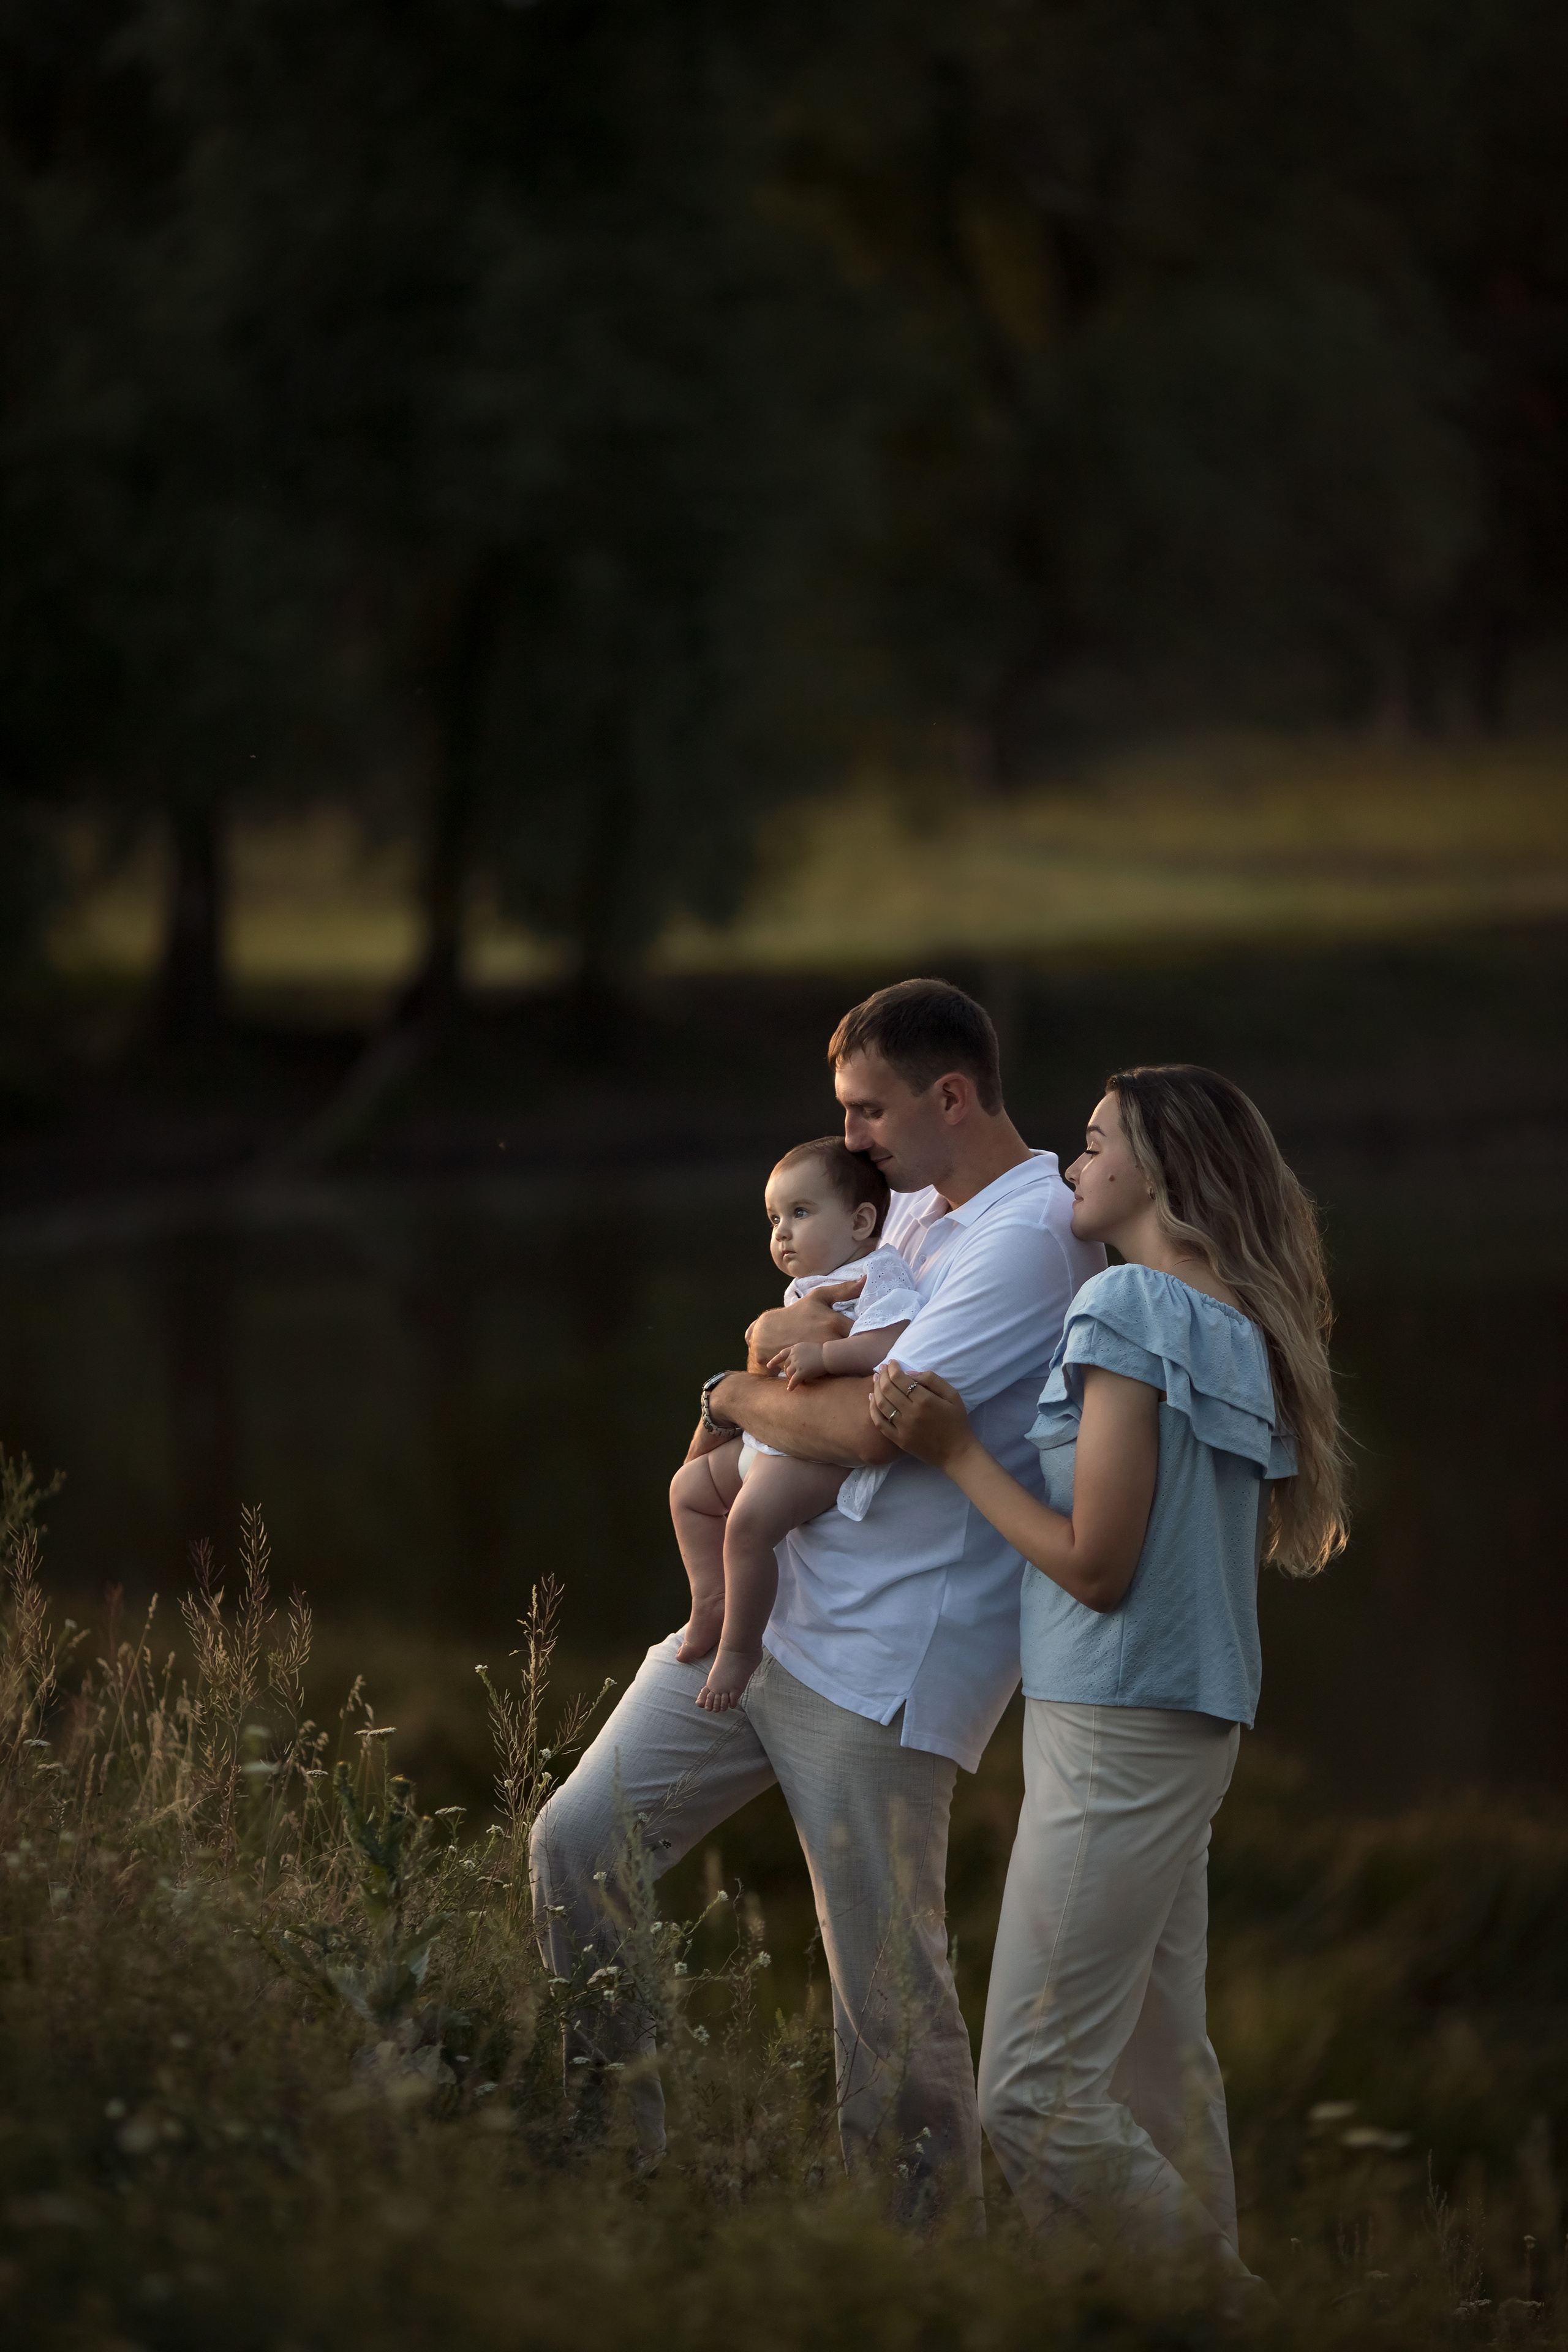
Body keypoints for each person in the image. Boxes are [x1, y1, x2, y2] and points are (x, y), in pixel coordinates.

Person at [529, 978, 1104, 2206]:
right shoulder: (911, 1206)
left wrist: (730, 1396)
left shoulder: (1027, 1237)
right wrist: (769, 1367)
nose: (849, 1136)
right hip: (767, 1619)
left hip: (883, 1672)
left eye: (868, 1110)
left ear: (951, 1097)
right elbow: (785, 1336)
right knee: (576, 1845)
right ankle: (616, 2164)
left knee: (886, 2006)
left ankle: (911, 2267)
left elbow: (864, 1426)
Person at [870, 1064, 1346, 2269]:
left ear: (1158, 1169)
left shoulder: (1130, 1308)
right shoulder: (1233, 1325)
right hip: (1188, 1722)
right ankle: (1153, 2316)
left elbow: (1095, 1564)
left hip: (1113, 1715)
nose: (1072, 1165)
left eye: (1092, 1143)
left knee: (1028, 2089)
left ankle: (1236, 2317)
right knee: (1155, 2066)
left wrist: (953, 1450)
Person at [669, 1136, 923, 1712]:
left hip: (816, 1453)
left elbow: (894, 1337)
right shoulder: (806, 1286)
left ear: (861, 1222)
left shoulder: (877, 1274)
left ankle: (740, 1650)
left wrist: (826, 1356)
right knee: (688, 1490)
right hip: (776, 1434)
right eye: (774, 1219)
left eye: (800, 1213)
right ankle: (711, 1598)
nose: (782, 1233)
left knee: (747, 1525)